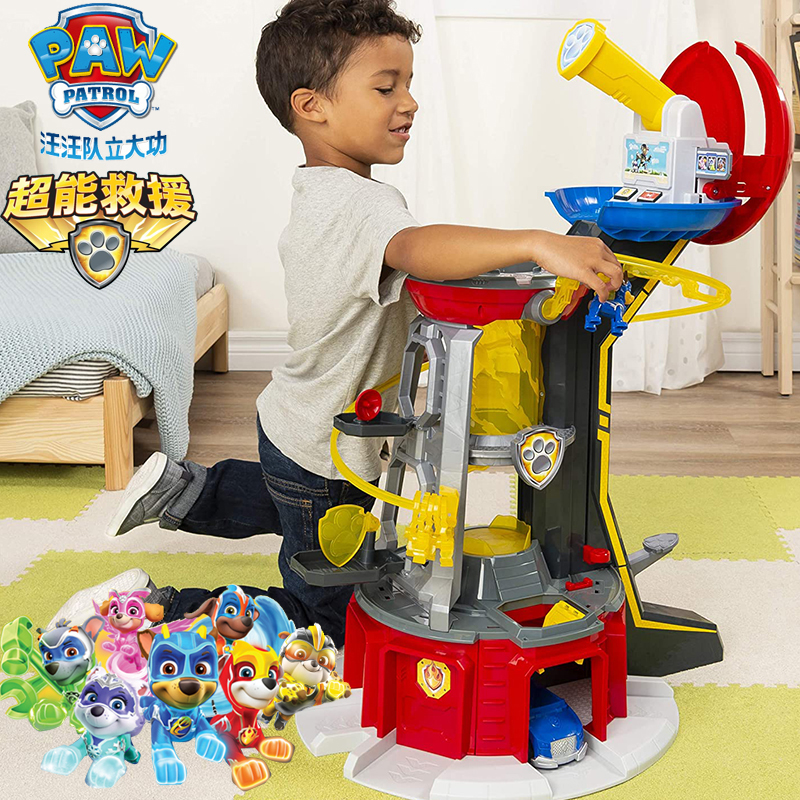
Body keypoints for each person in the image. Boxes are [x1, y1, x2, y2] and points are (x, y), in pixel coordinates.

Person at [57, 0, 622, 645]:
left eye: (408, 84)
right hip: (327, 445)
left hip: (301, 427)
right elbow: (416, 247)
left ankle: (184, 491)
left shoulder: (330, 191)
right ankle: (149, 606)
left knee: (294, 499)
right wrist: (535, 243)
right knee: (329, 617)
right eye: (386, 88)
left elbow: (417, 255)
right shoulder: (358, 205)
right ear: (312, 106)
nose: (409, 103)